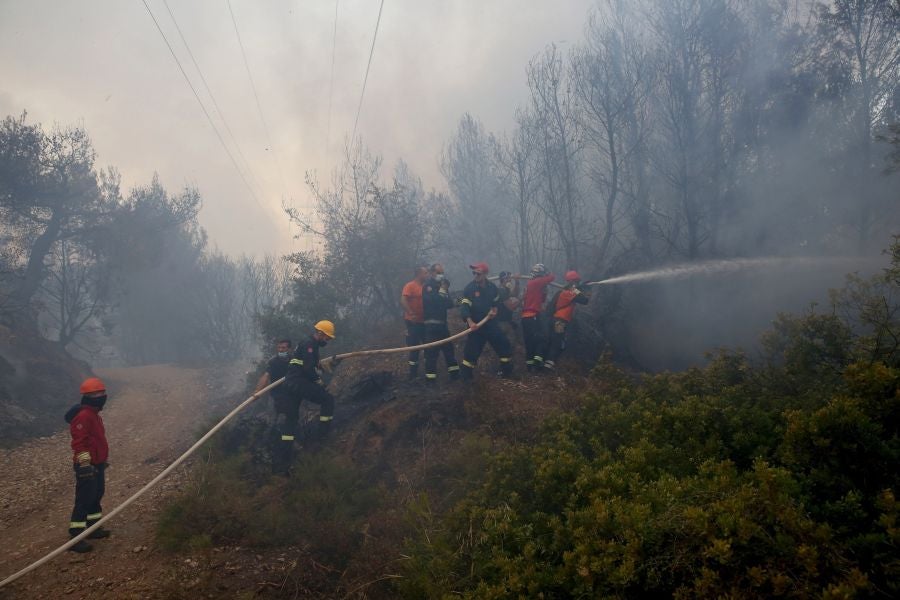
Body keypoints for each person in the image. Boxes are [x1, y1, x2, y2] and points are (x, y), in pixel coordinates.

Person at [64, 377, 111, 553]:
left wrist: (101, 460)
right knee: (84, 499)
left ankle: (93, 528)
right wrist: (85, 464)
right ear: (88, 396)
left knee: (97, 494)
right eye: (98, 393)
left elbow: (96, 441)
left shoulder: (94, 414)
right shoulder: (84, 416)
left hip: (97, 464)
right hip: (87, 466)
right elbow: (79, 442)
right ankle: (76, 536)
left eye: (103, 392)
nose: (102, 395)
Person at [284, 321, 338, 457]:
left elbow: (309, 363)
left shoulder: (307, 343)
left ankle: (285, 450)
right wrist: (318, 381)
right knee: (327, 400)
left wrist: (323, 365)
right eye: (327, 338)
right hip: (299, 383)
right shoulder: (310, 345)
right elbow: (308, 368)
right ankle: (323, 435)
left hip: (291, 383)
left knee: (291, 417)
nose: (328, 341)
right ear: (320, 333)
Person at [459, 262, 513, 380]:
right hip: (476, 326)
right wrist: (470, 321)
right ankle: (465, 380)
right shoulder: (470, 288)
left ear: (485, 274)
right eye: (474, 273)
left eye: (478, 274)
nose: (476, 276)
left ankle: (507, 373)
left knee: (504, 345)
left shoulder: (492, 288)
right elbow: (464, 307)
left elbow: (496, 303)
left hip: (491, 324)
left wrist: (495, 311)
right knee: (471, 353)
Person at [255, 339, 297, 474]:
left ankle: (290, 445)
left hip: (292, 395)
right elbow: (266, 376)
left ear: (289, 349)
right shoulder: (273, 362)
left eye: (284, 348)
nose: (281, 350)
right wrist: (257, 392)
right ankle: (269, 445)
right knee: (275, 421)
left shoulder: (294, 360)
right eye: (279, 348)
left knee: (291, 420)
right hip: (276, 396)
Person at [544, 271, 591, 371]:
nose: (578, 283)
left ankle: (547, 362)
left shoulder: (561, 292)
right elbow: (584, 300)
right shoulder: (570, 292)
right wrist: (585, 289)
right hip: (560, 321)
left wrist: (580, 288)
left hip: (553, 320)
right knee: (558, 342)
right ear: (573, 282)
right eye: (577, 281)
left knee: (554, 341)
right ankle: (549, 364)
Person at [421, 263, 460, 383]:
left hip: (443, 326)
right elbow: (436, 301)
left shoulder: (441, 286)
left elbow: (447, 303)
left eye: (442, 273)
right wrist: (443, 290)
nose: (441, 275)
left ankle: (456, 378)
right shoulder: (428, 286)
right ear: (432, 273)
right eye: (438, 273)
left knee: (449, 351)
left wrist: (456, 302)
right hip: (431, 327)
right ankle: (430, 382)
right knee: (431, 354)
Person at [520, 264, 556, 372]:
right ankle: (537, 362)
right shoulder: (536, 282)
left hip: (525, 317)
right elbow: (552, 277)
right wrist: (548, 273)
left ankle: (530, 366)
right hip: (533, 316)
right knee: (543, 338)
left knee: (529, 341)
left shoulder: (530, 284)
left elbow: (542, 300)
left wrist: (544, 292)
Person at [400, 266, 429, 380]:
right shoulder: (410, 286)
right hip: (412, 323)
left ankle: (429, 371)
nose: (427, 275)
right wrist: (411, 313)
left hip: (425, 322)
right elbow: (403, 300)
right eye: (425, 273)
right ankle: (413, 375)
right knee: (414, 347)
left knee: (428, 346)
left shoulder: (426, 287)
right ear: (419, 274)